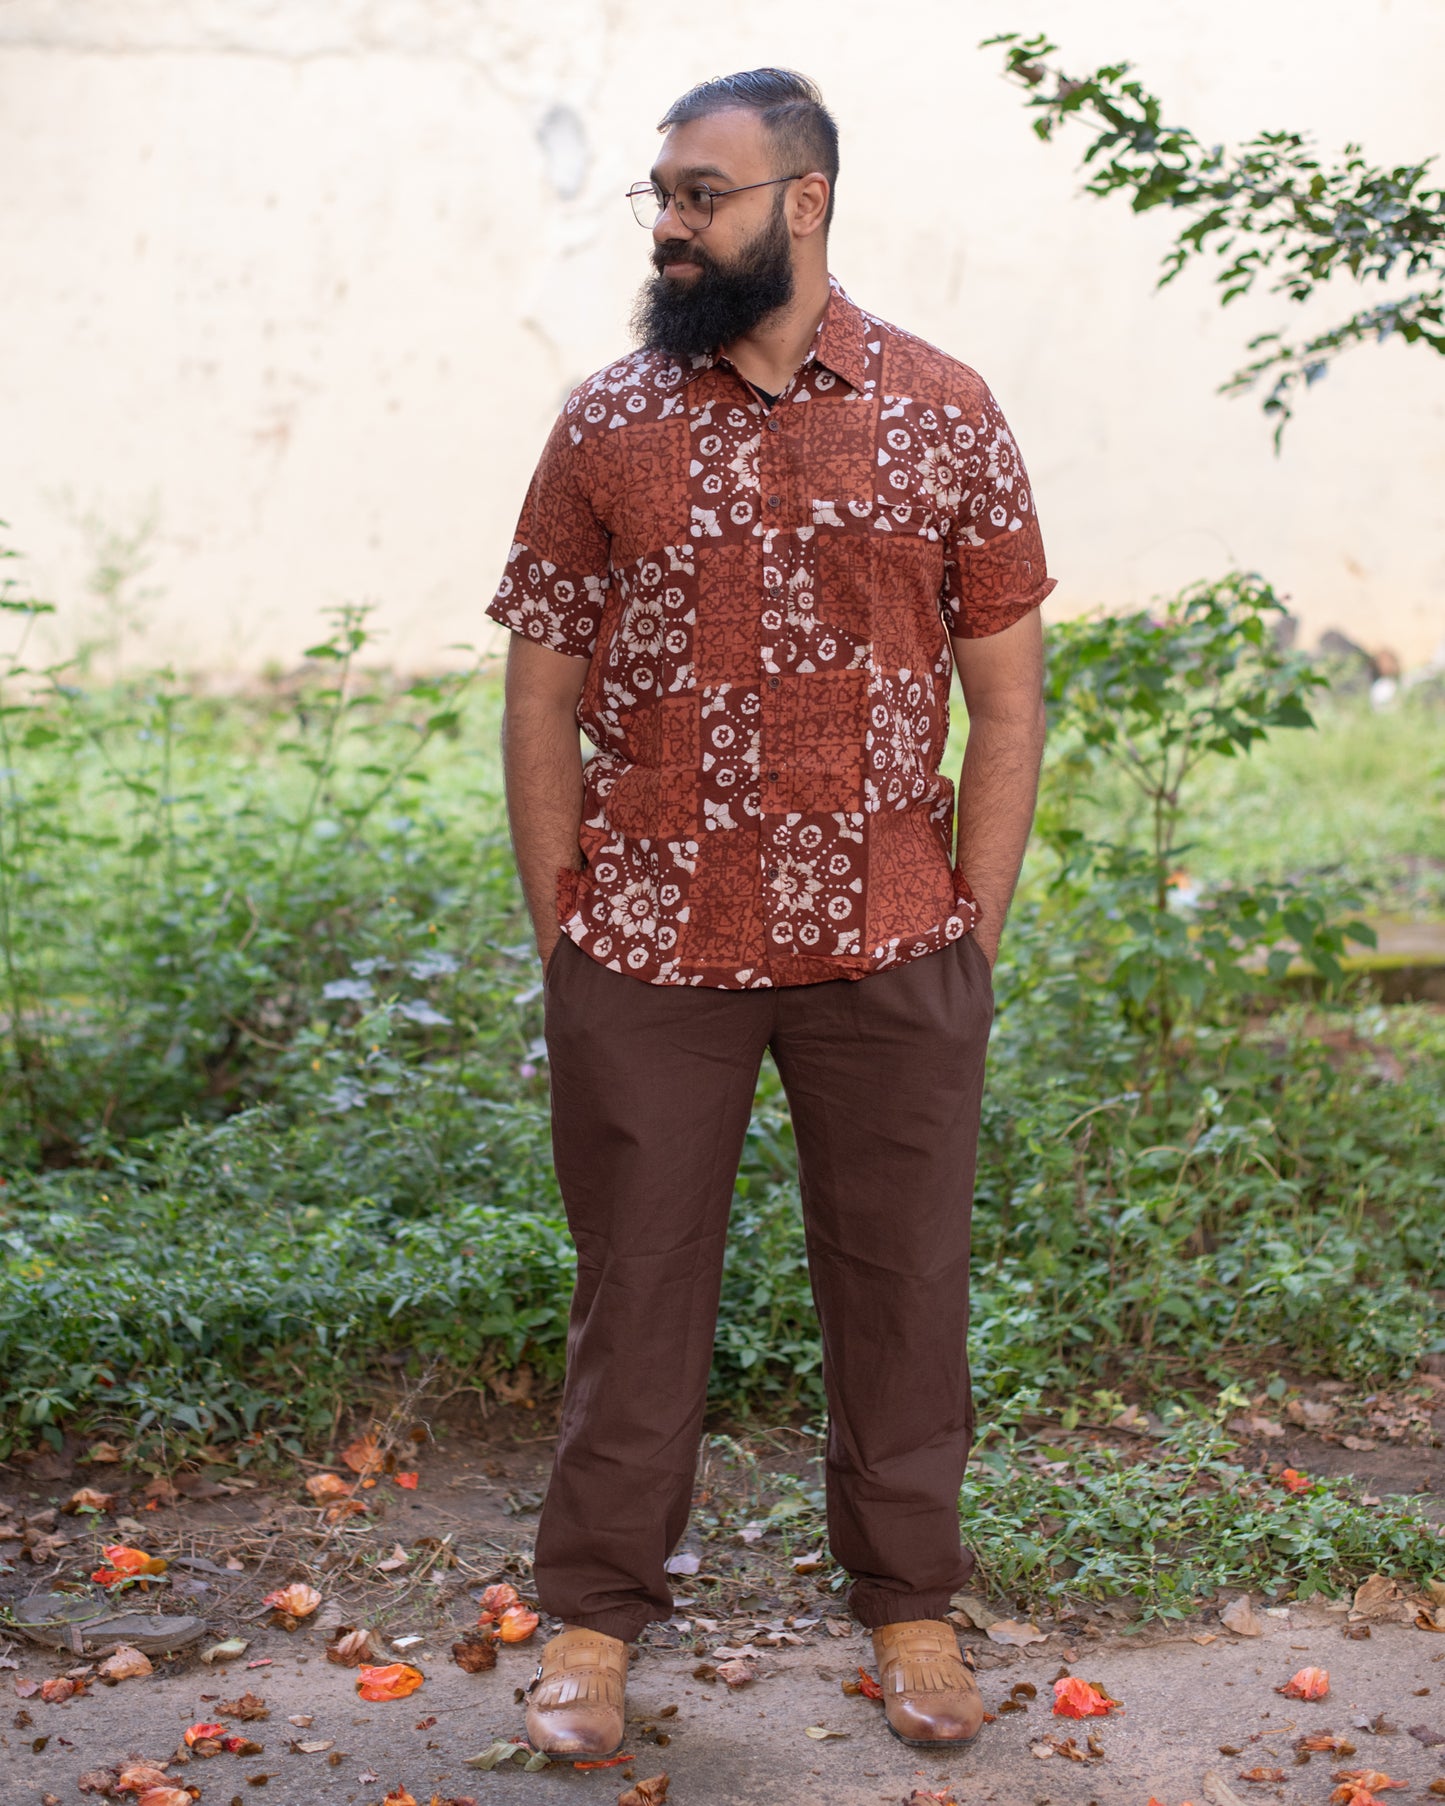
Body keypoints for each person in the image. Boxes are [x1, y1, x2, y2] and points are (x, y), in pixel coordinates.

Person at [486, 66, 1055, 1758]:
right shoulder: (604, 424)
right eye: (657, 193)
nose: (667, 223)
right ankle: (591, 1623)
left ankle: (911, 1610)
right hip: (651, 943)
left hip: (889, 938)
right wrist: (564, 933)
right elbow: (538, 694)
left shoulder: (943, 410)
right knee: (634, 1287)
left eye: (699, 195)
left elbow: (1008, 702)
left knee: (902, 1284)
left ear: (800, 203)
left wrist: (973, 933)